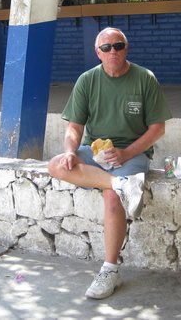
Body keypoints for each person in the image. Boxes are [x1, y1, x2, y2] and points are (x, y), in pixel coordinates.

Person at [48, 27, 172, 300]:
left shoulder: (144, 79)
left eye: (118, 46)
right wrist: (70, 151)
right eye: (106, 48)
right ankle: (121, 183)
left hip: (132, 152)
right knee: (56, 164)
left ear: (126, 49)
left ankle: (110, 269)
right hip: (96, 151)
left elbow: (157, 128)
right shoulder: (87, 80)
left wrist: (126, 153)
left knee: (112, 198)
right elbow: (74, 126)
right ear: (97, 53)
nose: (112, 51)